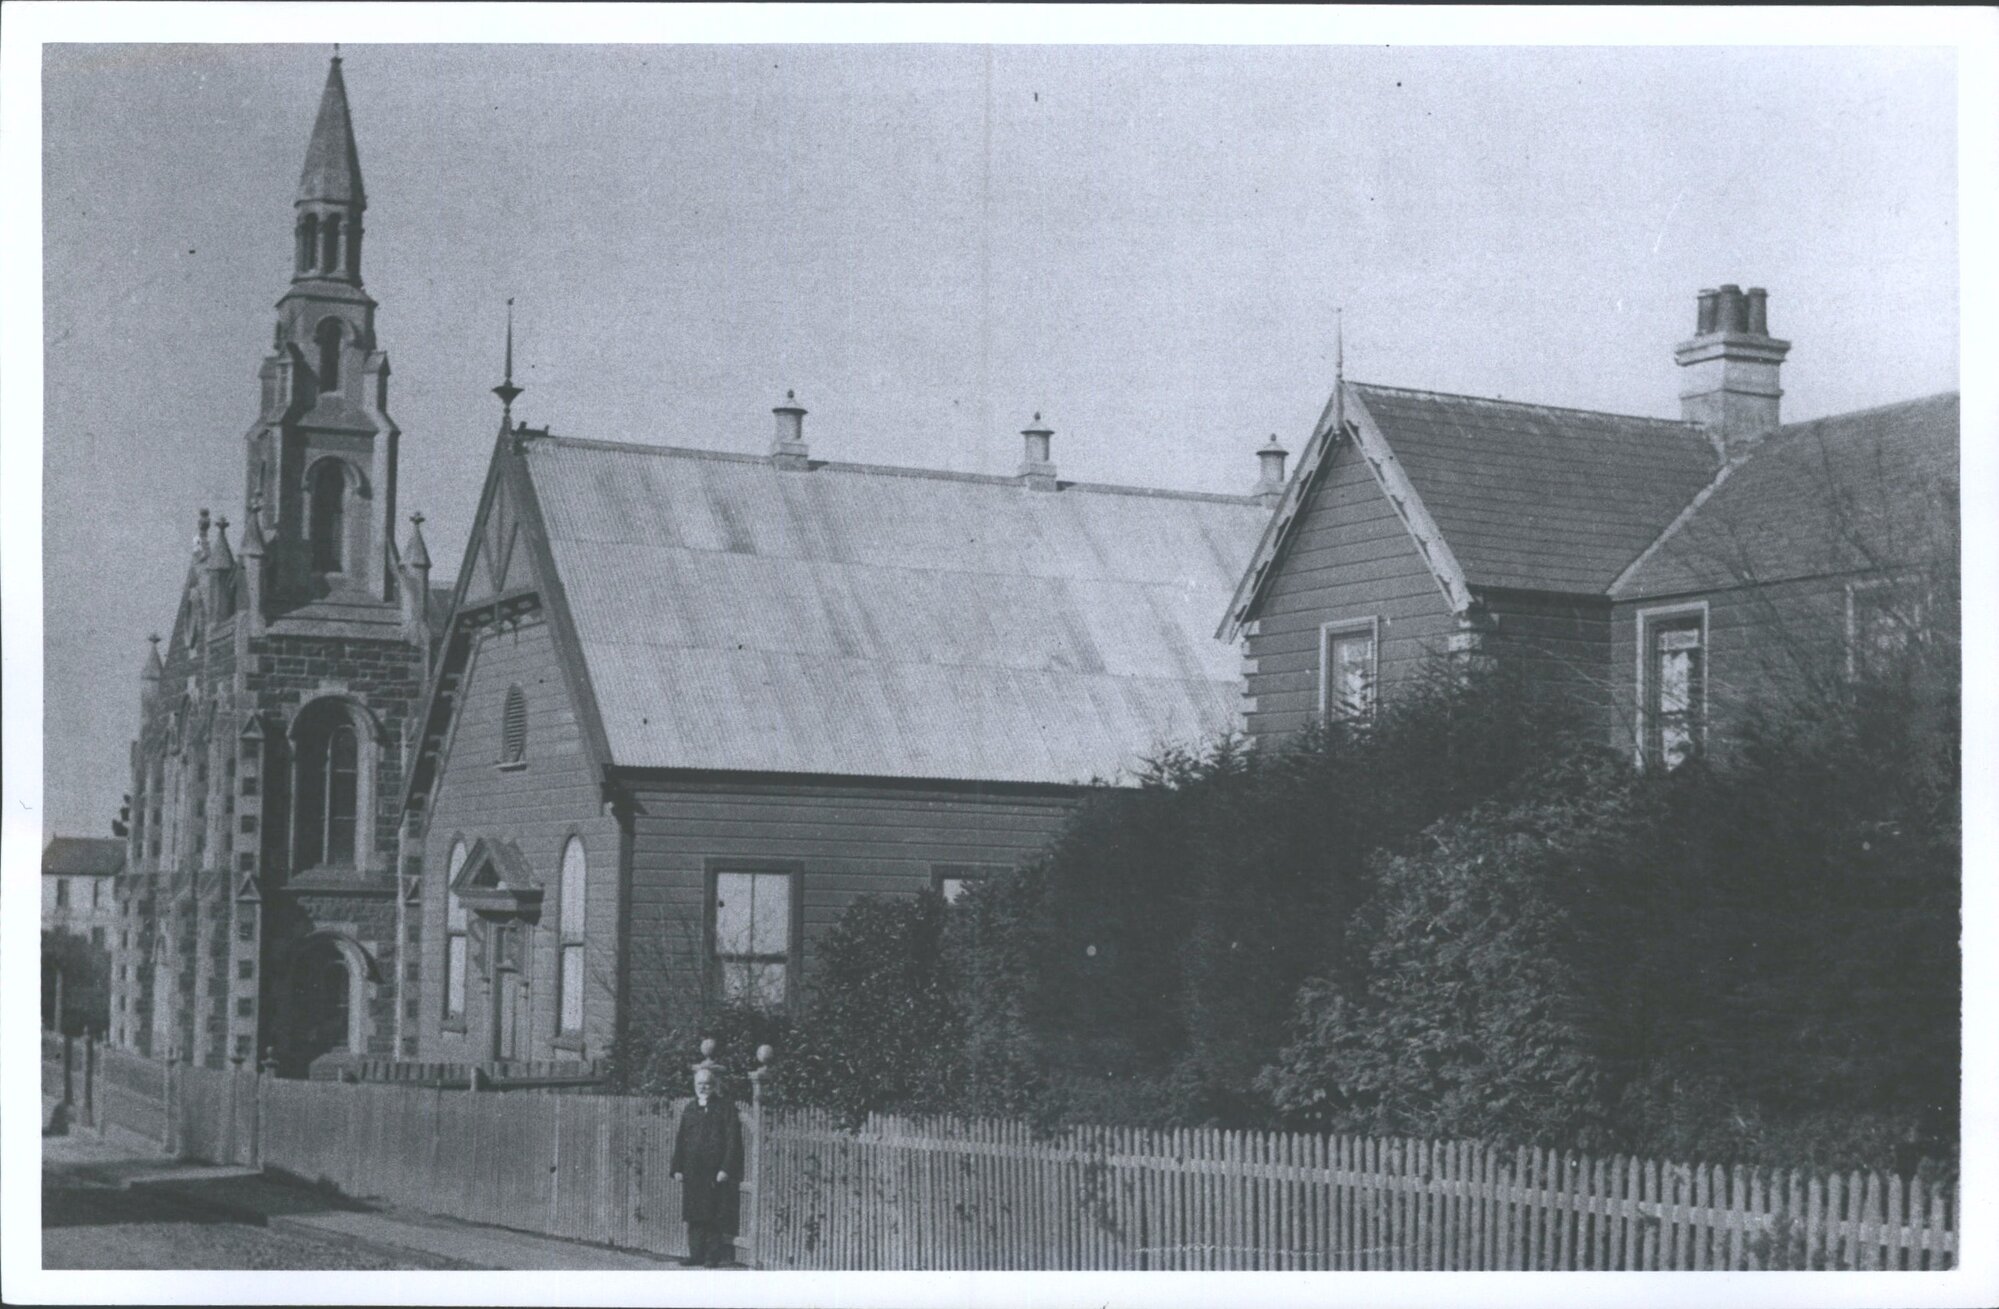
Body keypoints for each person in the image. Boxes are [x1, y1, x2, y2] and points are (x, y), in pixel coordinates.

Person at [669, 1064, 743, 1267]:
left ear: (714, 1085)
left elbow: (732, 1141)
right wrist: (677, 1167)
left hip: (713, 1172)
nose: (703, 1087)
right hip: (692, 1171)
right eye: (700, 1084)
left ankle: (712, 1256)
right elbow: (681, 1139)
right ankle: (695, 1254)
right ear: (694, 1086)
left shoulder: (724, 1108)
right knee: (693, 1214)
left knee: (712, 1215)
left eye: (707, 1084)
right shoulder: (690, 1109)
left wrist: (725, 1168)